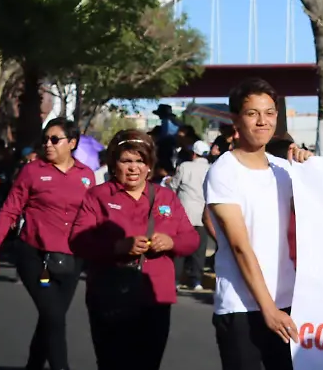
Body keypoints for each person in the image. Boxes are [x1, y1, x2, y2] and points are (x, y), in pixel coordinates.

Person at [70, 130, 199, 370]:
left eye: (140, 161)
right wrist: (117, 247)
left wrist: (171, 243)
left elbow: (191, 238)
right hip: (109, 294)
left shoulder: (166, 197)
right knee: (113, 363)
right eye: (126, 161)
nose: (133, 168)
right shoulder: (97, 196)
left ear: (149, 165)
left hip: (155, 296)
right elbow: (77, 241)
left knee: (148, 364)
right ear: (114, 163)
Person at [0, 118, 97, 370]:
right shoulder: (32, 171)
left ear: (72, 143)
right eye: (45, 139)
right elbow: (8, 211)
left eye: (55, 139)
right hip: (34, 255)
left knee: (50, 319)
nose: (48, 144)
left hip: (72, 258)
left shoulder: (87, 176)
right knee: (54, 318)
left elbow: (93, 216)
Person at [205, 78, 299, 370]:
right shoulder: (224, 172)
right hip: (242, 307)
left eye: (270, 113)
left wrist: (310, 167)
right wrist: (268, 309)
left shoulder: (285, 170)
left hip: (288, 302)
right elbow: (239, 246)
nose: (263, 121)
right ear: (236, 119)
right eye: (252, 113)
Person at [171, 139, 213, 290]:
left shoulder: (184, 166)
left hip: (184, 213)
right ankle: (196, 281)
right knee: (199, 250)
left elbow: (174, 185)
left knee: (180, 249)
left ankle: (175, 280)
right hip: (203, 214)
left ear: (194, 154)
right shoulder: (212, 168)